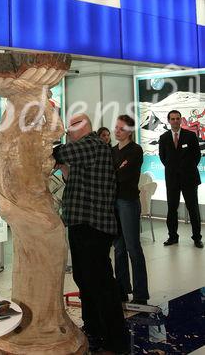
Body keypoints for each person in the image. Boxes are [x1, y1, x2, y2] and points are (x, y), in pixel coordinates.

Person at [53, 113, 130, 355]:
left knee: (101, 284)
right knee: (85, 280)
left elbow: (59, 154)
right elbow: (72, 178)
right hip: (82, 224)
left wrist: (52, 153)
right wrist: (65, 170)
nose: (67, 134)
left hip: (93, 226)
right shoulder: (87, 151)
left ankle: (115, 342)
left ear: (82, 129)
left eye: (70, 130)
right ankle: (94, 330)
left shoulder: (92, 144)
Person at [112, 114, 149, 305]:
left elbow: (124, 175)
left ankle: (141, 294)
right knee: (119, 248)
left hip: (128, 202)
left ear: (130, 131)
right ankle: (122, 290)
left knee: (133, 248)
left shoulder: (135, 150)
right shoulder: (112, 151)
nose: (117, 131)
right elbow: (113, 174)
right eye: (116, 128)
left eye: (121, 129)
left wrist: (114, 173)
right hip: (114, 203)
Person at [159, 109, 203, 248]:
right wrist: (173, 169)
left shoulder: (190, 136)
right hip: (172, 180)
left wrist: (186, 169)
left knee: (193, 209)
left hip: (189, 179)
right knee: (172, 209)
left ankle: (197, 238)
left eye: (177, 118)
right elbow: (163, 157)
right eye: (172, 119)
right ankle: (172, 237)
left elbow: (197, 156)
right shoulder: (164, 137)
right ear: (169, 121)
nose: (175, 121)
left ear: (181, 119)